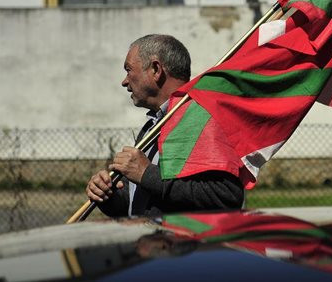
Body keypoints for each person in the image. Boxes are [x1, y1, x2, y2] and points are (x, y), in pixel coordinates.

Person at [86, 34, 244, 217]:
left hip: (181, 244)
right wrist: (108, 196)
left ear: (155, 69)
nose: (124, 81)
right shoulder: (151, 127)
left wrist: (146, 173)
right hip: (144, 243)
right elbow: (137, 205)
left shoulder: (200, 120)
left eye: (129, 70)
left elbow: (226, 197)